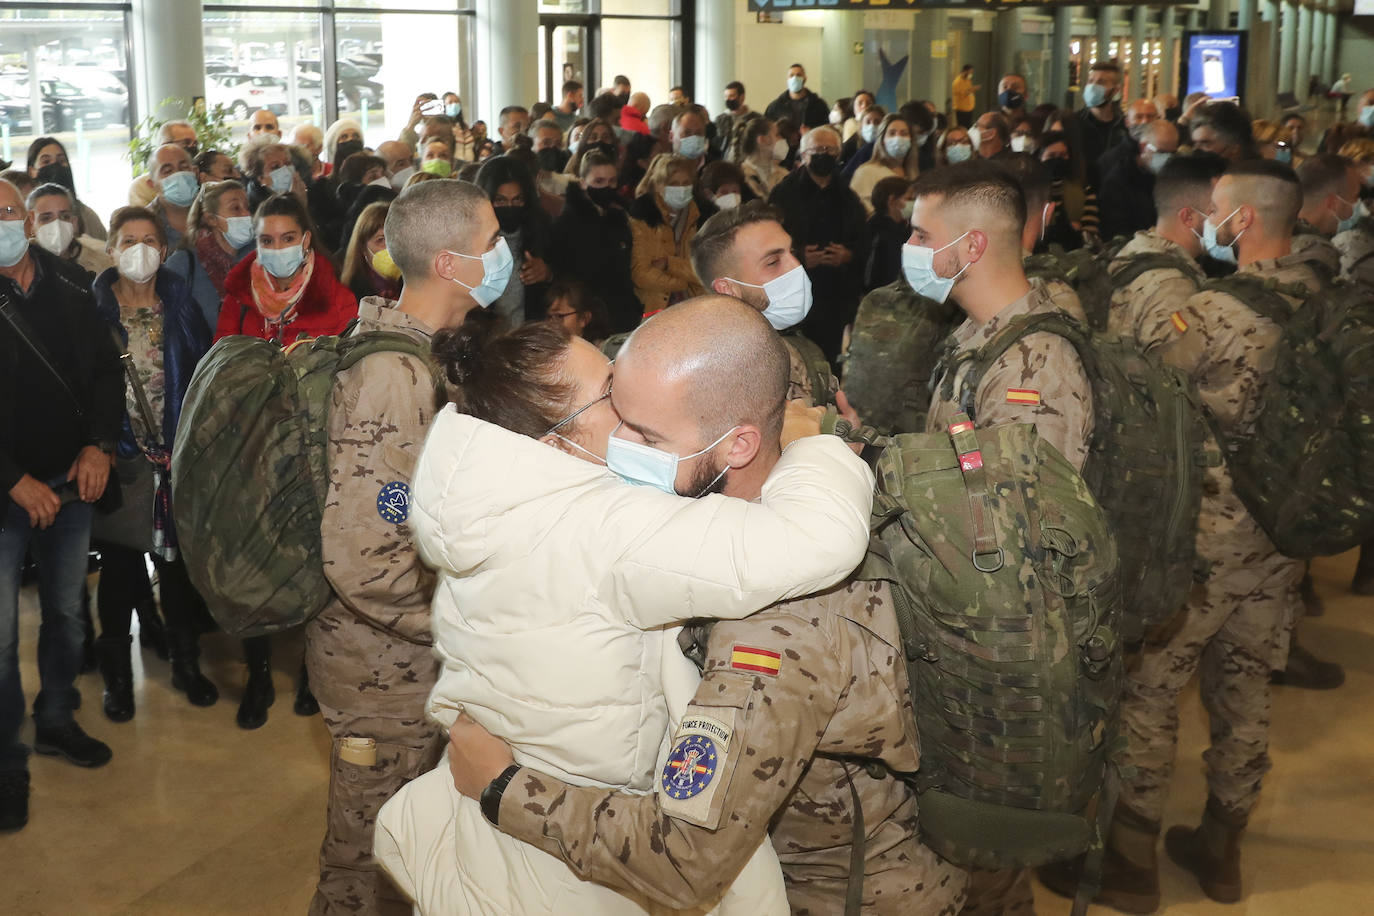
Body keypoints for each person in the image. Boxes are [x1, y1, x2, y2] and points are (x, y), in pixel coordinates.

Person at [422, 296, 965, 916]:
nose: (622, 442)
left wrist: (503, 787)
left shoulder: (775, 619)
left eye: (645, 433)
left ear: (736, 445)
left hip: (839, 895)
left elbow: (682, 857)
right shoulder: (671, 529)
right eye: (615, 410)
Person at [1084, 161, 1320, 911]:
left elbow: (1139, 383)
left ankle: (1131, 861)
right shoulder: (1326, 294)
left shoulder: (1216, 311)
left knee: (1153, 688)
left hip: (1209, 538)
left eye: (1218, 209)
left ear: (1242, 221)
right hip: (1282, 534)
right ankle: (1223, 850)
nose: (1208, 221)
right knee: (1246, 684)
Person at [910, 159, 1092, 916]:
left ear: (972, 246)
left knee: (988, 853)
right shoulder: (981, 335)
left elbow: (1013, 537)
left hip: (1004, 646)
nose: (911, 249)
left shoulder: (1033, 362)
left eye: (922, 235)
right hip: (968, 625)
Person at [303, 178, 490, 916]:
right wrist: (466, 620)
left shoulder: (423, 354)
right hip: (380, 675)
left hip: (408, 666)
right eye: (493, 243)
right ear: (450, 263)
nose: (506, 256)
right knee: (366, 870)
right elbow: (362, 557)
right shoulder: (393, 374)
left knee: (414, 860)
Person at [0, 177, 124, 831]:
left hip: (72, 483)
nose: (3, 221)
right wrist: (11, 479)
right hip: (6, 497)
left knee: (66, 617)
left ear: (25, 218)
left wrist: (100, 445)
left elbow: (106, 370)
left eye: (7, 211)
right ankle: (5, 763)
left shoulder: (71, 283)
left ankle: (56, 718)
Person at [214, 192, 356, 728]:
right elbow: (222, 368)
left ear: (306, 240)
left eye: (286, 239)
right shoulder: (238, 297)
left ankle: (311, 673)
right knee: (255, 564)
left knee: (315, 564)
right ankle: (258, 673)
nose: (275, 250)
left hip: (313, 455)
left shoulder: (337, 302)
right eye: (265, 240)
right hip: (250, 451)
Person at [90, 206, 217, 721]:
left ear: (163, 251)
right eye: (128, 239)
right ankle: (117, 680)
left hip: (176, 460)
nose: (138, 249)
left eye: (149, 239)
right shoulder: (92, 313)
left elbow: (205, 373)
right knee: (119, 574)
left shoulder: (182, 307)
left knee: (177, 570)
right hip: (123, 462)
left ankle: (187, 663)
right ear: (112, 248)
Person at [691, 201, 836, 406]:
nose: (796, 266)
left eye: (792, 252)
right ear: (728, 289)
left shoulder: (801, 349)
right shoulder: (714, 377)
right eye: (773, 262)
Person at [1104, 153, 1223, 352]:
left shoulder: (1136, 250)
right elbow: (1171, 376)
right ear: (1189, 217)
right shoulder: (1174, 286)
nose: (1226, 220)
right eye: (1216, 211)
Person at [767, 126, 866, 364]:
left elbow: (863, 240)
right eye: (817, 149)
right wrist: (798, 255)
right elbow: (770, 236)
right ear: (803, 154)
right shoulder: (784, 192)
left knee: (830, 359)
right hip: (795, 288)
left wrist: (847, 254)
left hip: (835, 293)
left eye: (830, 150)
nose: (824, 154)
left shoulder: (848, 197)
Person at [548, 150, 639, 334]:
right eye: (599, 181)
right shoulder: (567, 224)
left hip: (621, 315)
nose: (607, 187)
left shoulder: (619, 217)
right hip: (587, 319)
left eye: (612, 181)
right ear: (583, 183)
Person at [164, 179, 254, 334]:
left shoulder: (257, 257)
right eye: (236, 208)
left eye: (248, 207)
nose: (246, 214)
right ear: (211, 219)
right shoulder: (183, 264)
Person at [474, 156, 554, 326]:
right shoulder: (470, 239)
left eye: (517, 199)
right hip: (484, 338)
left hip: (530, 337)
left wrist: (548, 273)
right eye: (500, 200)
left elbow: (568, 282)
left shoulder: (543, 232)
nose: (509, 207)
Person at [628, 154, 706, 315]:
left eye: (686, 183)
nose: (681, 189)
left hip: (696, 306)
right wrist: (684, 283)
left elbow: (706, 271)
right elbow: (641, 275)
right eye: (673, 184)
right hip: (653, 308)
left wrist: (669, 264)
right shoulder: (642, 217)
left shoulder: (703, 216)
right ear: (658, 186)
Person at [1098, 119, 1180, 242]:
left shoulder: (1173, 178)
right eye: (1161, 152)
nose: (1167, 158)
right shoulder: (1118, 180)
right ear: (1143, 147)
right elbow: (1115, 231)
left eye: (1172, 153)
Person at [24, 183, 113, 279]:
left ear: (74, 223)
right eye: (46, 218)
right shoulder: (18, 267)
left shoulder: (101, 266)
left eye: (65, 217)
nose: (57, 225)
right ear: (31, 224)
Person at [26, 137, 105, 241]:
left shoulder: (87, 216)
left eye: (61, 161)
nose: (55, 165)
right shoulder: (22, 216)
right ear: (32, 171)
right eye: (46, 161)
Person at [1039, 129, 1100, 250]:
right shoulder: (1031, 192)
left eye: (1062, 155)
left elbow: (1091, 233)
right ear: (1040, 157)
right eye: (1051, 156)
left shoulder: (1084, 190)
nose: (1058, 160)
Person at [849, 114, 917, 215]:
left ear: (911, 140)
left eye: (904, 134)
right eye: (892, 133)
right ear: (882, 140)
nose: (898, 138)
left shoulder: (913, 174)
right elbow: (858, 210)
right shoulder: (866, 172)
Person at [339, 200, 399, 304]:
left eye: (395, 237)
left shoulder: (418, 280)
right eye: (381, 240)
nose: (390, 246)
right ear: (363, 248)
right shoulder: (351, 295)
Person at [129, 120, 200, 206]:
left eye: (195, 144)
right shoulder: (141, 186)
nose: (192, 147)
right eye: (186, 143)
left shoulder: (198, 178)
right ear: (165, 144)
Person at [1075, 61, 1127, 179]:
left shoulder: (1124, 126)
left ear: (1116, 90)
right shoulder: (1075, 122)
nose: (1093, 86)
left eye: (1101, 82)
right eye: (1090, 81)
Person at [863, 176, 914, 292]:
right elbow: (868, 273)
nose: (913, 203)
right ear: (892, 200)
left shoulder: (906, 228)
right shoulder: (875, 230)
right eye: (909, 198)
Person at [148, 143, 199, 249]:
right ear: (152, 184)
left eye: (184, 168)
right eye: (168, 171)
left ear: (195, 172)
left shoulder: (215, 210)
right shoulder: (144, 225)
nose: (178, 175)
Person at [240, 141, 308, 215]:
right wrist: (297, 204)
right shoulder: (258, 209)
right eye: (275, 167)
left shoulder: (310, 193)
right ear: (261, 178)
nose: (285, 169)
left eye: (288, 163)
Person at [543, 278, 610, 344]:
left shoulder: (600, 351)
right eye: (549, 317)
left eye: (559, 316)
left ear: (584, 318)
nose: (550, 325)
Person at [764, 63, 829, 130]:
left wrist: (811, 132)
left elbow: (826, 129)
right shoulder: (775, 107)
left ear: (805, 79)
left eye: (799, 75)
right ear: (787, 79)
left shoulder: (819, 105)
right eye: (791, 75)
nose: (794, 78)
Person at [736, 117, 788, 200]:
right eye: (777, 135)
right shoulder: (740, 177)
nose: (782, 139)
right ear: (763, 140)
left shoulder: (783, 174)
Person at [1189, 101, 1256, 161]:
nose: (1196, 149)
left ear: (1234, 147)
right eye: (1194, 143)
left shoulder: (1259, 173)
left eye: (1205, 143)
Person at [529, 119, 572, 199]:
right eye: (546, 142)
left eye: (558, 144)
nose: (552, 147)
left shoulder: (568, 181)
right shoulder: (523, 182)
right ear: (531, 145)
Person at [715, 80, 751, 159]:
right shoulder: (720, 119)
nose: (728, 99)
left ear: (742, 97)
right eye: (726, 96)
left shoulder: (753, 118)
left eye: (731, 96)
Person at [670, 106, 711, 170]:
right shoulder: (663, 170)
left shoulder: (715, 170)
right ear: (671, 136)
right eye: (687, 133)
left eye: (698, 133)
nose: (694, 137)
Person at [953, 64, 979, 128]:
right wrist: (972, 89)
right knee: (963, 128)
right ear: (965, 71)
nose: (971, 74)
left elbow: (968, 90)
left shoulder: (967, 80)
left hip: (969, 109)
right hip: (962, 110)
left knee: (968, 127)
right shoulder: (957, 82)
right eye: (970, 72)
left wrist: (972, 89)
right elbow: (962, 94)